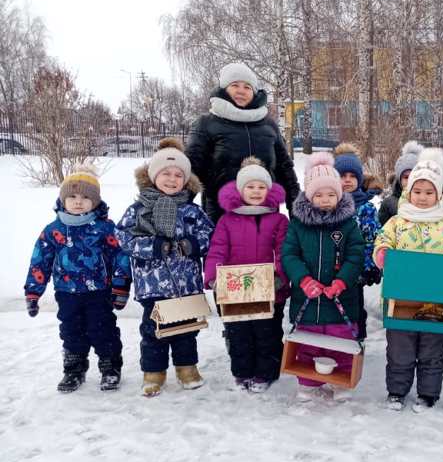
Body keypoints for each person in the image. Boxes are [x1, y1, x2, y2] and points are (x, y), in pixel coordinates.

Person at [374, 149, 443, 412]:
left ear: (438, 194)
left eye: (429, 192)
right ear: (408, 192)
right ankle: (397, 391)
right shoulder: (397, 222)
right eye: (418, 191)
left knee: (431, 350)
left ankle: (428, 393)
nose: (423, 197)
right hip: (401, 299)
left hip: (436, 303)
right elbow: (382, 242)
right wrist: (383, 255)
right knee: (400, 349)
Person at [116, 138, 214, 397]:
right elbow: (123, 239)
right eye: (165, 174)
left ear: (186, 180)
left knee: (186, 330)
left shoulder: (192, 211)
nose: (172, 179)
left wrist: (193, 244)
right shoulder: (138, 210)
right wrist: (153, 246)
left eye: (178, 175)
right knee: (153, 332)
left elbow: (209, 236)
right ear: (153, 177)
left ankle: (186, 368)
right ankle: (153, 373)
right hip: (153, 285)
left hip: (186, 285)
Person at [24, 166, 131, 392]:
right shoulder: (53, 230)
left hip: (99, 292)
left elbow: (120, 257)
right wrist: (33, 292)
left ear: (95, 201)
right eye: (72, 196)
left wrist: (120, 287)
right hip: (66, 293)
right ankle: (74, 369)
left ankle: (110, 367)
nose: (78, 201)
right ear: (63, 199)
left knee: (102, 329)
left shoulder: (104, 228)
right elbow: (39, 261)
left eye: (85, 197)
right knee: (71, 331)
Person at [281, 152, 365, 402]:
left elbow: (356, 254)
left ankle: (341, 382)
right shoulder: (298, 225)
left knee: (341, 340)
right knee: (309, 342)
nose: (325, 200)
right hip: (308, 301)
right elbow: (289, 255)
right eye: (319, 195)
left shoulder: (348, 225)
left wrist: (342, 281)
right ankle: (308, 382)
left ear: (339, 194)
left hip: (341, 299)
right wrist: (304, 280)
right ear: (309, 196)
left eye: (331, 194)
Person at [204, 157, 289, 392]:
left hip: (268, 289)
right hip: (236, 291)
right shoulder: (227, 220)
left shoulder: (278, 220)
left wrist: (280, 275)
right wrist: (213, 277)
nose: (255, 191)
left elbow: (284, 250)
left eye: (261, 187)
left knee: (267, 333)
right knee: (239, 333)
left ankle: (265, 373)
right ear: (240, 190)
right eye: (250, 187)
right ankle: (243, 372)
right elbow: (217, 249)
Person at [185, 62, 300, 223]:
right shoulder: (206, 123)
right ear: (224, 89)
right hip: (221, 218)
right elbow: (190, 171)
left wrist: (298, 212)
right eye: (235, 85)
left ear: (254, 92)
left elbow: (285, 169)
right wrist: (178, 211)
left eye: (247, 87)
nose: (241, 91)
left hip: (266, 217)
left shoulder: (268, 125)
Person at [333, 143, 382, 341]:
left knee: (354, 307)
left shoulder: (366, 207)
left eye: (352, 176)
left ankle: (357, 341)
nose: (347, 180)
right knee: (334, 308)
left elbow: (372, 239)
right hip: (332, 268)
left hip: (357, 270)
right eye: (342, 176)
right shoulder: (329, 203)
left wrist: (371, 267)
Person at [378, 140, 423, 226]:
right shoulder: (389, 204)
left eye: (414, 175)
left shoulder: (429, 200)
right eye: (406, 177)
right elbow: (381, 232)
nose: (410, 180)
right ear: (399, 179)